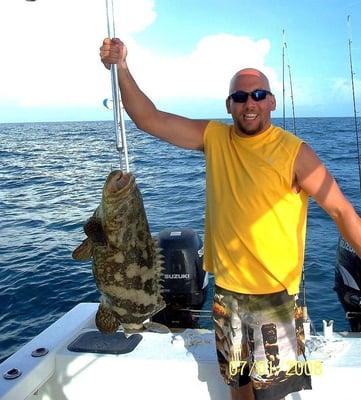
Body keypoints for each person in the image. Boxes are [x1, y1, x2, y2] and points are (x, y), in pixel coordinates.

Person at [100, 38, 361, 400]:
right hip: (227, 294)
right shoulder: (215, 137)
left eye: (257, 95)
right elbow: (148, 119)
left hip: (277, 297)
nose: (249, 104)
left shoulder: (296, 153)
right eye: (240, 97)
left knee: (273, 393)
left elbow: (341, 210)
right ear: (229, 105)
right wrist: (123, 68)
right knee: (237, 385)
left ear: (271, 101)